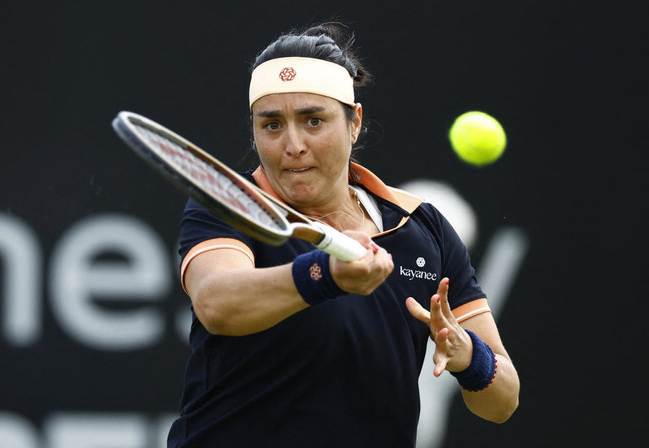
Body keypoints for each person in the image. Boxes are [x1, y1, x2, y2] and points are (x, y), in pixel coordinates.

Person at [167, 23, 520, 448]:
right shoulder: (228, 203)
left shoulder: (421, 226)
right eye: (272, 125)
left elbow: (503, 402)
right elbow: (217, 302)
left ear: (354, 123)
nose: (293, 144)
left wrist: (469, 356)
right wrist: (326, 275)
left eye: (313, 120)